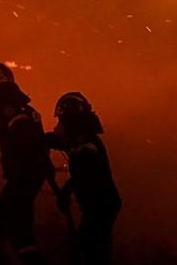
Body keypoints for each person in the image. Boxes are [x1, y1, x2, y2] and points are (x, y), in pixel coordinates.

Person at [0, 63, 53, 265]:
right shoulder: (16, 107)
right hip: (27, 175)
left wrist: (7, 133)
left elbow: (25, 142)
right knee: (21, 232)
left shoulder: (9, 108)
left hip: (24, 176)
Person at [46, 92, 121, 265]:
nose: (59, 125)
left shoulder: (86, 145)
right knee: (89, 249)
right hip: (100, 206)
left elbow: (86, 174)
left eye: (62, 120)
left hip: (100, 207)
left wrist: (67, 190)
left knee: (88, 250)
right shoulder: (81, 139)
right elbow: (57, 141)